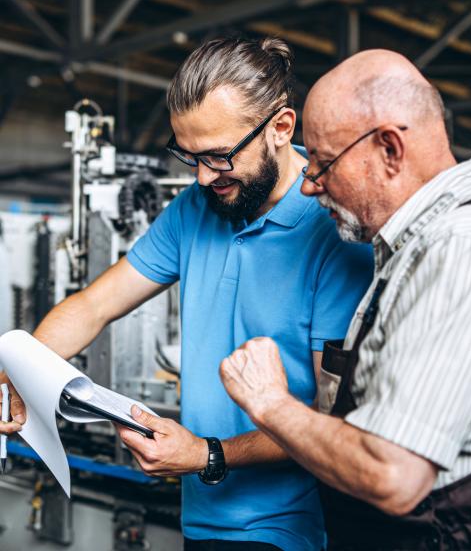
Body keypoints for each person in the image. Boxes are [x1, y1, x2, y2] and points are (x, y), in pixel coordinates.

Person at [0, 37, 373, 551]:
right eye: (188, 156)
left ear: (281, 129)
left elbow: (330, 423)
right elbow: (94, 305)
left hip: (288, 529)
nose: (201, 177)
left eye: (219, 157)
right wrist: (24, 370)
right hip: (199, 518)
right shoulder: (194, 209)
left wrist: (208, 455)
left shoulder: (331, 229)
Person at [220, 49, 471, 550]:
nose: (309, 184)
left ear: (390, 149)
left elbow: (392, 472)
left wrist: (270, 403)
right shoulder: (418, 248)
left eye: (323, 163)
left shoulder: (464, 252)